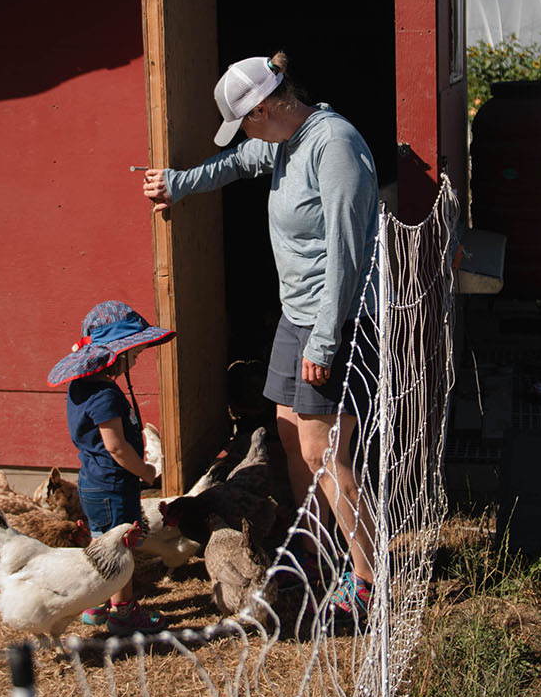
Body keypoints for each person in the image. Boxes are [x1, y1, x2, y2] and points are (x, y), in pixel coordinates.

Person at [141, 52, 379, 620]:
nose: (244, 135)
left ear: (267, 107)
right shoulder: (280, 141)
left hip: (336, 318)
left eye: (244, 121)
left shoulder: (334, 145)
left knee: (327, 451)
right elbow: (236, 162)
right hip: (297, 315)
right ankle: (318, 550)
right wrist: (180, 184)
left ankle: (370, 578)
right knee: (290, 430)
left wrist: (324, 341)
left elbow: (347, 256)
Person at [47, 300, 171, 635]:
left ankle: (97, 605)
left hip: (91, 482)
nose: (138, 356)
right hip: (115, 485)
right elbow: (116, 446)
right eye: (135, 351)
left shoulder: (81, 387)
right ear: (117, 355)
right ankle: (124, 612)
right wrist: (146, 472)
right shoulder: (106, 396)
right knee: (121, 547)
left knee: (101, 542)